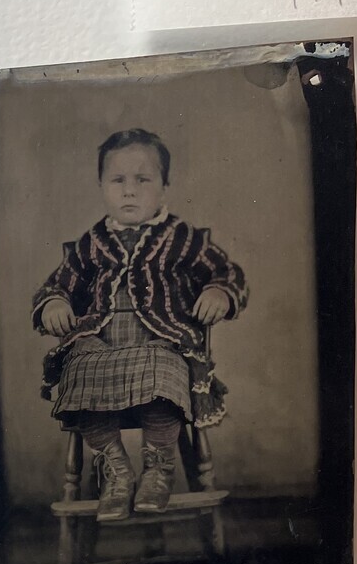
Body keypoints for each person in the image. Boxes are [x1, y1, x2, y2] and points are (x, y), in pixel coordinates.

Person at [32, 128, 248, 522]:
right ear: (101, 186)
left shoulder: (182, 238)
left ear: (164, 188)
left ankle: (157, 467)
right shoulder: (92, 242)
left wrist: (220, 292)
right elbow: (57, 283)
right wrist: (56, 301)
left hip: (160, 343)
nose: (129, 191)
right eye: (118, 180)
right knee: (80, 371)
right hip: (102, 347)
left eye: (142, 179)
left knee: (164, 371)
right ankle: (115, 470)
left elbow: (227, 272)